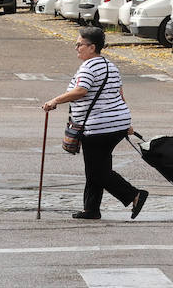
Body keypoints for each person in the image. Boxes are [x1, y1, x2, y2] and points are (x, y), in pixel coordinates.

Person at [42, 26, 148, 220]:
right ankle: (91, 209)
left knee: (97, 171)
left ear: (92, 47)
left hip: (98, 127)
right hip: (115, 124)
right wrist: (125, 123)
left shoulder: (89, 67)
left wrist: (55, 100)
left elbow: (81, 90)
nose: (76, 48)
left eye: (79, 44)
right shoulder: (110, 66)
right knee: (97, 168)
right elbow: (119, 95)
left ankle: (134, 195)